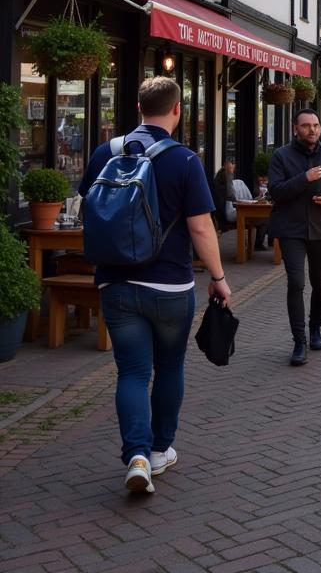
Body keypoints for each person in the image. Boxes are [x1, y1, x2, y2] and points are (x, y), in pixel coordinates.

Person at [79, 76, 231, 496]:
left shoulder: (105, 153)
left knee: (131, 371)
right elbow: (201, 227)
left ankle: (137, 456)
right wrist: (218, 279)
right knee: (168, 367)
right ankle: (162, 449)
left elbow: (88, 208)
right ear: (177, 110)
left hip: (116, 284)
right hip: (170, 287)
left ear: (138, 107)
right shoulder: (184, 161)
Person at [268, 108, 321, 366]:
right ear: (296, 128)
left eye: (315, 125)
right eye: (305, 125)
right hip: (291, 229)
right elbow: (276, 192)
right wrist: (304, 178)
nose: (311, 129)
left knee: (320, 283)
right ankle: (299, 341)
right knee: (296, 282)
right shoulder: (281, 156)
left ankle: (315, 329)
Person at [212, 158, 268, 249]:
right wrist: (229, 173)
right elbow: (230, 195)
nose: (233, 166)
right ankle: (257, 244)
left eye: (233, 164)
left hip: (229, 209)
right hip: (229, 212)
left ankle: (258, 244)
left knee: (266, 217)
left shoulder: (226, 177)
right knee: (266, 217)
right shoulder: (224, 175)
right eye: (231, 163)